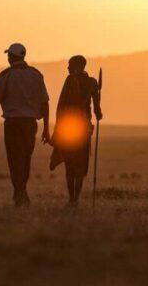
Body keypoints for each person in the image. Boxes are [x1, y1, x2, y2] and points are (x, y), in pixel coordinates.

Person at [0, 43, 50, 207]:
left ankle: (19, 193)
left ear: (11, 57)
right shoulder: (36, 75)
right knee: (25, 159)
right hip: (30, 124)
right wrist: (46, 128)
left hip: (13, 123)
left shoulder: (5, 75)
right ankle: (21, 193)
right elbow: (45, 103)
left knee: (14, 159)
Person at [50, 55, 102, 208]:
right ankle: (76, 199)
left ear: (76, 66)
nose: (67, 68)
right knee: (81, 164)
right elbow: (98, 110)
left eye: (69, 65)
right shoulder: (92, 83)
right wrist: (98, 114)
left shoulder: (70, 80)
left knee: (70, 165)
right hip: (84, 129)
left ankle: (72, 198)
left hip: (69, 130)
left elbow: (61, 106)